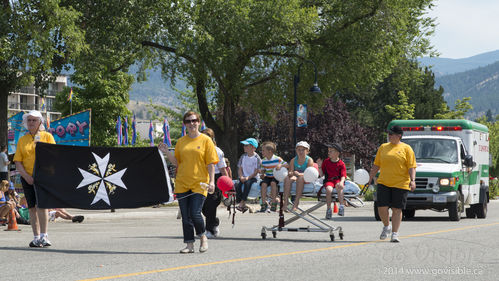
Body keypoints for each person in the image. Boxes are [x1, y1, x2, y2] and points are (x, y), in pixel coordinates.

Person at [159, 111, 218, 254]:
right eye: (188, 121)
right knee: (185, 216)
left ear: (198, 122)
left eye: (194, 120)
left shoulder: (206, 140)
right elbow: (176, 162)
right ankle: (189, 244)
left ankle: (203, 236)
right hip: (182, 183)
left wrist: (212, 182)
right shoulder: (181, 141)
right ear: (184, 124)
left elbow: (211, 163)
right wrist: (167, 152)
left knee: (195, 213)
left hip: (200, 183)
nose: (191, 124)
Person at [13, 110, 56, 247]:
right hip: (27, 177)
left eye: (34, 120)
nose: (31, 123)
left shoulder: (47, 136)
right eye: (29, 120)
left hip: (43, 177)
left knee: (42, 206)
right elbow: (18, 161)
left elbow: (55, 155)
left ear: (40, 122)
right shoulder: (22, 139)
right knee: (31, 207)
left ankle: (44, 236)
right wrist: (26, 176)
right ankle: (36, 237)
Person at [368, 125, 416, 243]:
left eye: (391, 134)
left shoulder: (407, 148)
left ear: (399, 136)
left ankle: (395, 233)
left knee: (397, 209)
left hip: (400, 183)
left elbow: (411, 166)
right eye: (388, 134)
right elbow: (376, 164)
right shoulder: (383, 147)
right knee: (381, 208)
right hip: (384, 182)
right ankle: (386, 226)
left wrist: (412, 180)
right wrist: (370, 177)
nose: (389, 136)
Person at [201, 128, 228, 238]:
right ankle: (214, 222)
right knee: (202, 206)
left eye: (207, 136)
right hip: (202, 177)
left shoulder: (217, 151)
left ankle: (209, 230)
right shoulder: (198, 149)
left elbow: (223, 169)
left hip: (216, 178)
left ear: (212, 138)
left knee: (211, 204)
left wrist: (228, 184)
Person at [317, 143, 347, 218]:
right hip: (329, 180)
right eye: (328, 151)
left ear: (337, 153)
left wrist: (341, 182)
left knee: (339, 187)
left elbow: (343, 175)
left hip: (337, 180)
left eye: (331, 151)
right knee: (328, 190)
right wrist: (319, 167)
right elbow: (322, 175)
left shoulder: (341, 164)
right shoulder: (326, 162)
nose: (328, 153)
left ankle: (341, 206)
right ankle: (329, 209)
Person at [283, 141, 314, 211]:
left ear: (307, 151)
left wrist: (299, 174)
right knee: (287, 178)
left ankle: (296, 202)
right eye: (298, 150)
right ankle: (286, 202)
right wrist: (291, 173)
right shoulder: (293, 160)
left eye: (303, 150)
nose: (300, 152)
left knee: (300, 178)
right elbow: (290, 171)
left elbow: (309, 173)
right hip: (296, 176)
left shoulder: (309, 160)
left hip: (305, 177)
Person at [259, 141, 286, 212]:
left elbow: (287, 165)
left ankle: (274, 203)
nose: (262, 152)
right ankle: (264, 203)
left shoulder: (277, 159)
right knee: (263, 184)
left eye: (263, 150)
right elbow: (263, 170)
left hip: (275, 176)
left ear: (270, 151)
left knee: (273, 183)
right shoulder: (263, 161)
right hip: (268, 176)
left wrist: (281, 165)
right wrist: (262, 174)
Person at [235, 138, 261, 212]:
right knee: (237, 184)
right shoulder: (243, 156)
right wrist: (241, 177)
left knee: (247, 183)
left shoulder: (257, 158)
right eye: (244, 145)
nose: (244, 147)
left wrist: (247, 178)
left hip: (253, 177)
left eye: (246, 145)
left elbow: (256, 171)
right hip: (244, 176)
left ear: (253, 147)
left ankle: (243, 202)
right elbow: (240, 168)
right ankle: (240, 203)